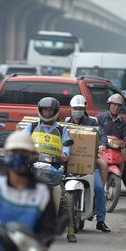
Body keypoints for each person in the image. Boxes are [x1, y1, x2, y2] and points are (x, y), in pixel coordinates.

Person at [22, 96, 77, 243]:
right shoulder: (31, 127)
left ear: (55, 111)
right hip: (33, 166)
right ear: (40, 110)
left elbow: (66, 150)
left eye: (50, 109)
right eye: (45, 109)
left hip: (52, 168)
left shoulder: (61, 129)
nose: (47, 112)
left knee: (63, 199)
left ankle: (71, 230)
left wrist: (63, 156)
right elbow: (23, 142)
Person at [65, 95, 111, 232]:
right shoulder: (66, 123)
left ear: (84, 108)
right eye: (75, 108)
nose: (78, 110)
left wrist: (103, 144)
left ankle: (101, 220)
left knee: (98, 188)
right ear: (70, 109)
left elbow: (101, 135)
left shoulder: (92, 123)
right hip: (69, 161)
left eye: (80, 108)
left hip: (89, 161)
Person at [96, 94, 126, 207]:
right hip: (101, 151)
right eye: (114, 105)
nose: (116, 108)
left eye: (118, 106)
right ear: (109, 106)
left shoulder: (122, 122)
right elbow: (94, 130)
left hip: (116, 152)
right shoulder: (100, 118)